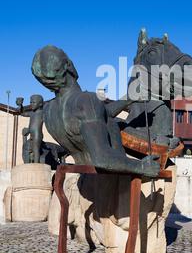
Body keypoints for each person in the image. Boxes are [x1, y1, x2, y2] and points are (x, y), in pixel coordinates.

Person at [31, 45, 159, 177]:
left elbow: (99, 116)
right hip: (109, 183)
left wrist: (127, 99)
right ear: (68, 65)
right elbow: (103, 159)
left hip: (84, 179)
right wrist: (142, 166)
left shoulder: (49, 111)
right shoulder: (87, 100)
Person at [16, 95, 44, 163]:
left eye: (33, 102)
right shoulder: (32, 113)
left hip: (37, 134)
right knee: (28, 148)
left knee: (35, 149)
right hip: (31, 134)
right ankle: (29, 163)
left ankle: (36, 164)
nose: (31, 104)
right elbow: (22, 113)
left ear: (40, 104)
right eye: (30, 102)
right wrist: (20, 106)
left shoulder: (42, 113)